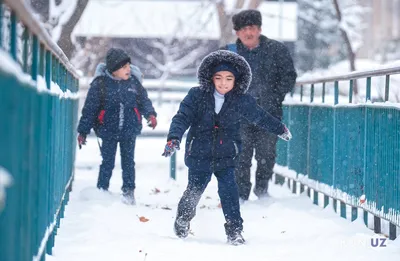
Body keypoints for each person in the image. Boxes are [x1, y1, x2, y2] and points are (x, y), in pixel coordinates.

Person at [162, 50, 292, 245]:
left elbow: (260, 116)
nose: (223, 83)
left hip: (226, 156)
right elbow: (182, 117)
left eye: (229, 78)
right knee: (194, 190)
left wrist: (279, 128)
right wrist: (174, 138)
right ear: (211, 78)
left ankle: (234, 231)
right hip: (199, 153)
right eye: (219, 78)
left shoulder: (241, 100)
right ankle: (183, 219)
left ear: (236, 80)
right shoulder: (196, 96)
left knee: (230, 193)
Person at [223, 9, 297, 202]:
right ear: (237, 32)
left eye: (252, 28)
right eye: (244, 29)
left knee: (267, 155)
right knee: (240, 156)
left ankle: (262, 190)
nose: (249, 33)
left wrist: (274, 95)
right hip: (238, 115)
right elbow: (215, 79)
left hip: (269, 113)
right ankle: (240, 196)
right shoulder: (227, 53)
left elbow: (289, 76)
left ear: (259, 29)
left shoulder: (276, 50)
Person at [77, 48, 157, 205]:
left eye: (129, 65)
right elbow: (90, 109)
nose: (129, 69)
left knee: (128, 162)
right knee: (107, 162)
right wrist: (83, 131)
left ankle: (128, 191)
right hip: (108, 130)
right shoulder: (100, 85)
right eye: (124, 67)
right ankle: (101, 190)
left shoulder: (134, 83)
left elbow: (144, 101)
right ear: (114, 69)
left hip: (129, 129)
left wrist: (150, 115)